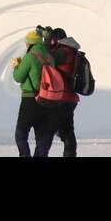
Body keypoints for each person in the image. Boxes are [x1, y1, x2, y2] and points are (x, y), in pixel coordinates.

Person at [38, 27, 82, 157]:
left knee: (49, 129)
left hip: (62, 97)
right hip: (70, 98)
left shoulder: (64, 52)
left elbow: (48, 59)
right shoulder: (70, 50)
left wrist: (46, 41)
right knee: (67, 130)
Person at [10, 27, 51, 156]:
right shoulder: (49, 56)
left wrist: (16, 66)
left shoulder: (30, 56)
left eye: (27, 42)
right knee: (42, 135)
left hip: (30, 99)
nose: (26, 44)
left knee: (21, 134)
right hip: (47, 100)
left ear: (31, 43)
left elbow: (18, 77)